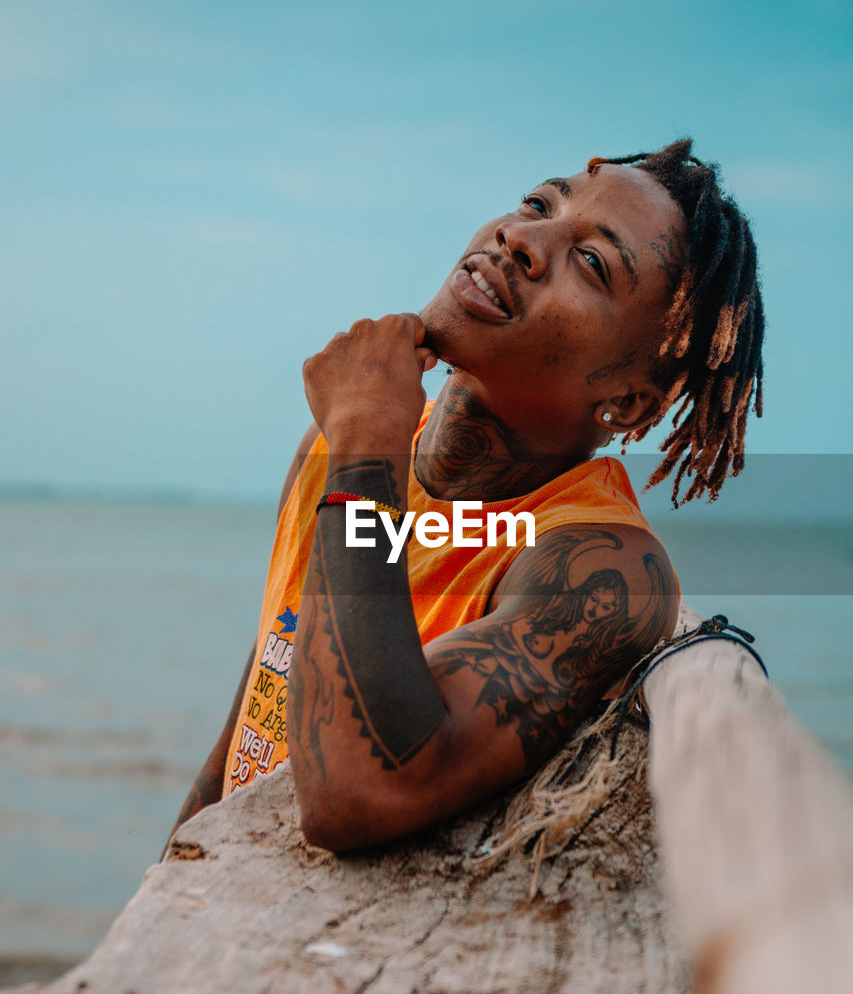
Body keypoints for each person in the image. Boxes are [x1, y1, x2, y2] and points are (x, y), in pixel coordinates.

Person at [166, 138, 764, 853]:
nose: (521, 239)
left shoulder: (599, 567)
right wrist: (173, 862)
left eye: (592, 262)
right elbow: (267, 682)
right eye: (539, 203)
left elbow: (360, 790)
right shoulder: (334, 449)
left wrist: (364, 449)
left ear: (627, 404)